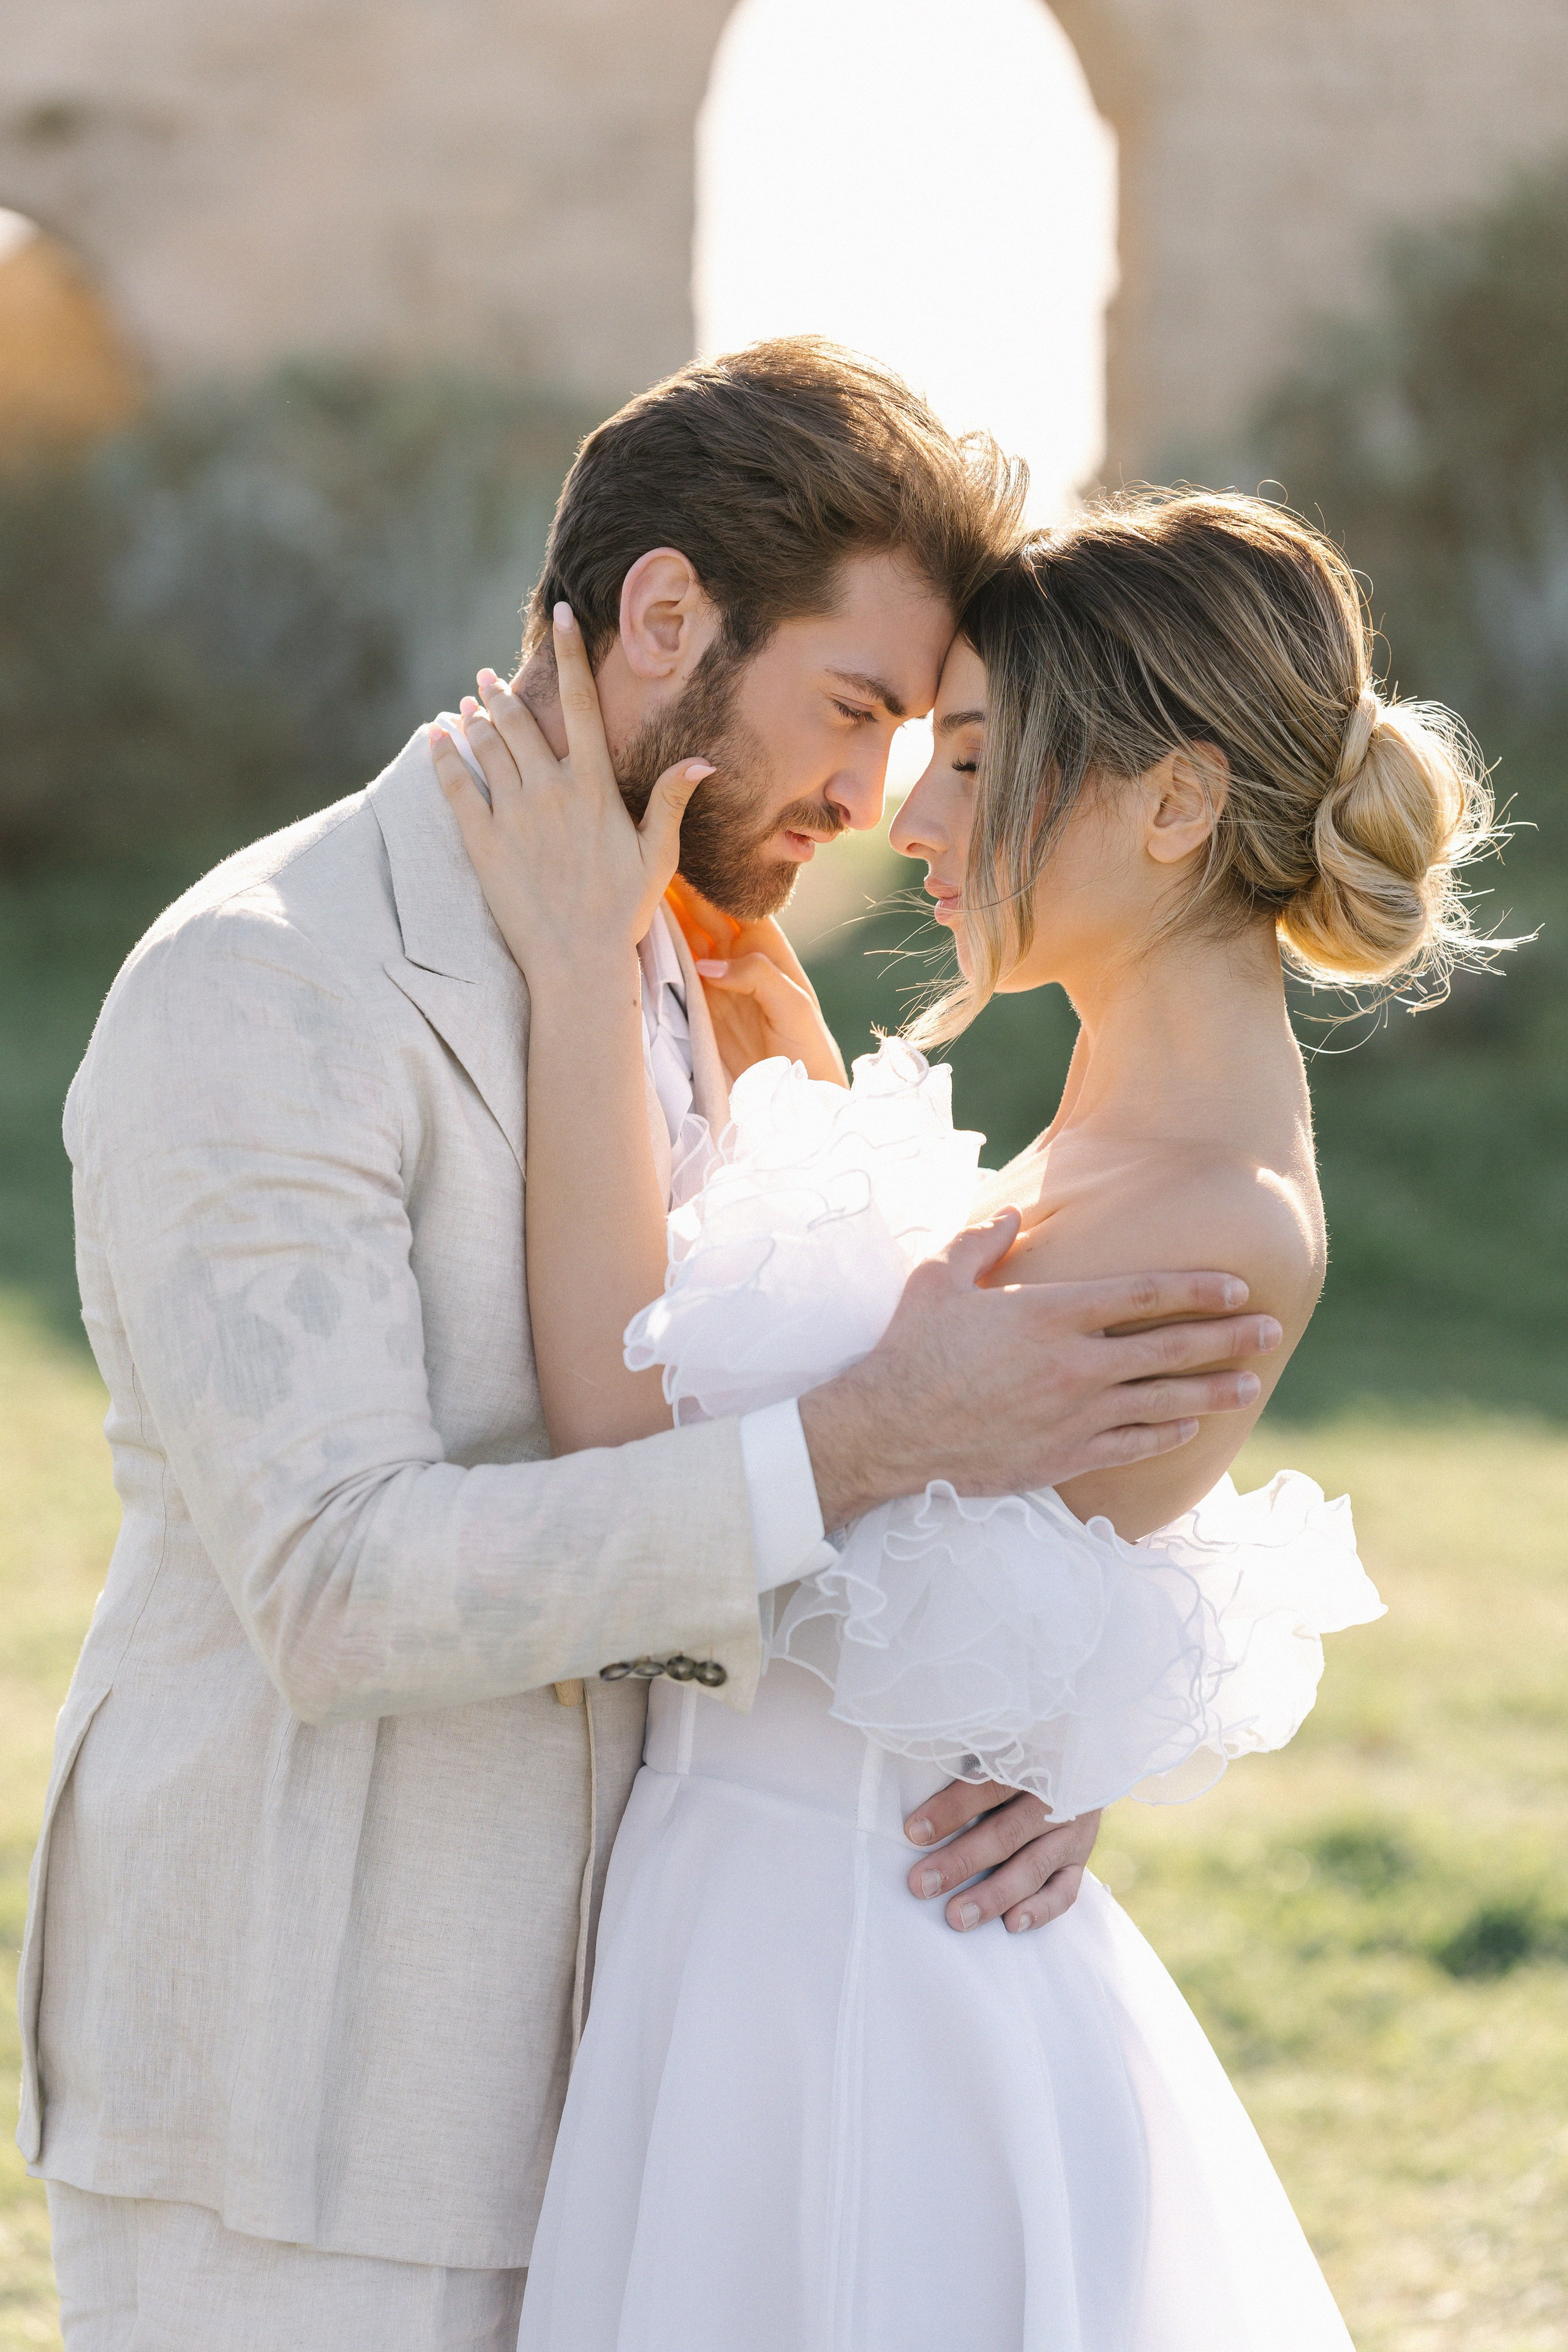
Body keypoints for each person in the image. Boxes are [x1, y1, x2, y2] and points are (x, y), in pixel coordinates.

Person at [18, 345, 1276, 2352]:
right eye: (852, 712)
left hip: (657, 2089)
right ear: (669, 617)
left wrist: (1027, 1719)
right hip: (321, 2113)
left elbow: (805, 1464)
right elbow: (337, 1589)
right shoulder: (266, 991)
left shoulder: (698, 969)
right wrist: (868, 1441)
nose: (875, 798)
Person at [439, 489, 1503, 2348]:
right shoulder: (1099, 1154)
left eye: (981, 763)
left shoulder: (1203, 1222)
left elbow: (633, 1460)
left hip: (853, 1998)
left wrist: (572, 965)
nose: (914, 819)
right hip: (752, 1954)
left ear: (1172, 806)